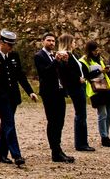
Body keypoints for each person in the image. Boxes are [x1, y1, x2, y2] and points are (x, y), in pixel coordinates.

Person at [0, 29, 37, 167]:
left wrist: (30, 92)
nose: (11, 47)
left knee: (6, 123)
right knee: (9, 123)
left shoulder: (14, 56)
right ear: (1, 42)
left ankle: (1, 153)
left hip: (13, 95)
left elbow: (20, 76)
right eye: (8, 44)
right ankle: (16, 155)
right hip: (0, 96)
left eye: (13, 45)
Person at [33, 31, 74, 163]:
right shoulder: (39, 56)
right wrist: (56, 61)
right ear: (43, 41)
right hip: (49, 93)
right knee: (53, 122)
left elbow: (64, 73)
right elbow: (44, 73)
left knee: (60, 121)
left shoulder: (55, 55)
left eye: (53, 41)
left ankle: (58, 149)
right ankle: (55, 151)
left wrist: (66, 62)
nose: (51, 43)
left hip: (60, 92)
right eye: (49, 40)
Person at [57, 34, 94, 152]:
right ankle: (81, 143)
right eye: (73, 42)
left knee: (82, 114)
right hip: (75, 87)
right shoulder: (65, 56)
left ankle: (82, 141)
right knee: (81, 114)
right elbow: (65, 72)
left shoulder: (73, 55)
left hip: (80, 85)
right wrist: (77, 78)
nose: (75, 44)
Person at [81, 39, 110, 147]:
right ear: (89, 51)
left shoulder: (99, 59)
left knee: (109, 114)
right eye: (94, 51)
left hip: (106, 88)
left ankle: (107, 135)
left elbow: (105, 75)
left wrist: (107, 71)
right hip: (95, 89)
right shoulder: (83, 61)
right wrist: (99, 71)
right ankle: (104, 137)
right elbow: (86, 75)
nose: (96, 52)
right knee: (103, 114)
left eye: (97, 50)